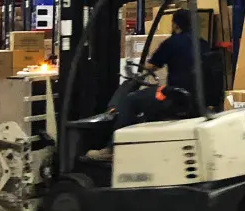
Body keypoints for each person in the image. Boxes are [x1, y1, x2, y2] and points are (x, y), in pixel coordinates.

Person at [87, 10, 204, 161]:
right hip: (194, 97)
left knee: (131, 99)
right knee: (148, 97)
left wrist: (138, 74)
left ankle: (112, 149)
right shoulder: (202, 43)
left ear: (175, 24)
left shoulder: (173, 42)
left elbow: (150, 67)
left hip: (175, 97)